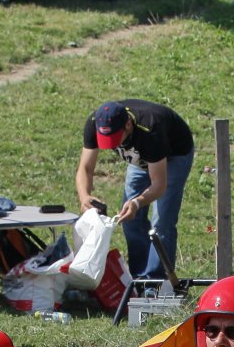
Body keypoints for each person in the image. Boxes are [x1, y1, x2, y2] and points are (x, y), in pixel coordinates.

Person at [75, 99, 195, 279]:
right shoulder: (95, 122)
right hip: (140, 157)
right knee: (129, 218)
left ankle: (157, 282)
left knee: (162, 221)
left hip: (173, 155)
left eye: (115, 138)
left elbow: (159, 186)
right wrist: (84, 196)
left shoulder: (151, 129)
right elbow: (85, 168)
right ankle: (140, 278)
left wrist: (137, 203)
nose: (113, 145)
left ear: (128, 125)